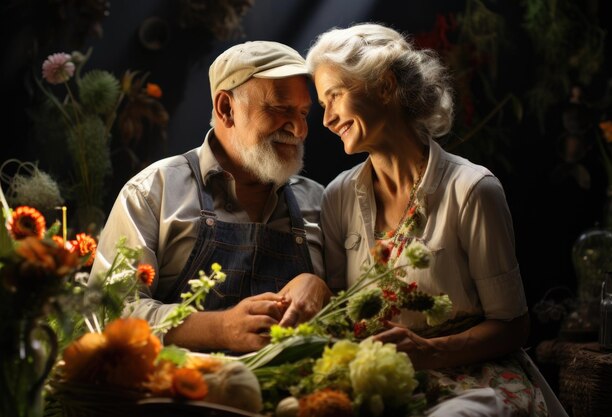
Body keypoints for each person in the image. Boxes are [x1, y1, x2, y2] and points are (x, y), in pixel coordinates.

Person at [306, 23, 567, 416]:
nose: (326, 119)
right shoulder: (338, 196)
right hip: (384, 380)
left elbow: (513, 326)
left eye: (334, 97)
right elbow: (341, 317)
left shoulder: (473, 190)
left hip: (474, 379)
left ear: (385, 86)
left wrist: (430, 352)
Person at [89, 41, 331, 353]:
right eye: (279, 108)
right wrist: (218, 329)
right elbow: (108, 313)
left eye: (302, 112)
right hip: (176, 396)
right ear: (226, 108)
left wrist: (322, 289)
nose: (299, 129)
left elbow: (351, 318)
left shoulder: (320, 202)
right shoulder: (153, 191)